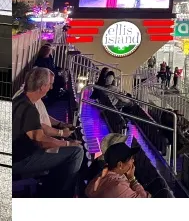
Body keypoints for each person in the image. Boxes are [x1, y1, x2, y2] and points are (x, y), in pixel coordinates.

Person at [13, 68, 84, 197]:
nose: (51, 88)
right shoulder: (29, 109)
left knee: (65, 148)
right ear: (41, 87)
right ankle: (61, 195)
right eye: (49, 85)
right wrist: (68, 144)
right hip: (21, 159)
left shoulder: (21, 100)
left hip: (20, 154)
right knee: (77, 152)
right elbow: (42, 141)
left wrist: (61, 136)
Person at [84, 142, 150, 198]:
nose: (133, 160)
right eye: (131, 158)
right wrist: (132, 179)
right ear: (120, 165)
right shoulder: (119, 186)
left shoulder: (101, 176)